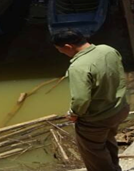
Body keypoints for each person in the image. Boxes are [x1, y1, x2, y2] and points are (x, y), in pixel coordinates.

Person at [52, 30, 129, 171]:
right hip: (119, 109)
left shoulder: (78, 67)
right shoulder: (108, 49)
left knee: (94, 153)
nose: (61, 53)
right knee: (108, 140)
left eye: (60, 50)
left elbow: (81, 99)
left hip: (97, 118)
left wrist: (74, 114)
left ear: (68, 46)